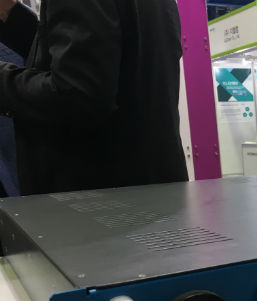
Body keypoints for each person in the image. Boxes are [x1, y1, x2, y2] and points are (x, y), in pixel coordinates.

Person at [0, 0, 188, 196]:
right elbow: (98, 55)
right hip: (152, 186)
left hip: (99, 196)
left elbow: (76, 96)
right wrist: (11, 15)